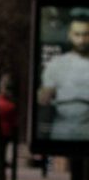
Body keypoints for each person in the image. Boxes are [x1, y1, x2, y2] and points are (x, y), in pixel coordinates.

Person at [38, 10, 89, 140]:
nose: (81, 40)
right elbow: (44, 100)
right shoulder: (56, 64)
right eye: (77, 34)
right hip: (62, 128)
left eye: (86, 34)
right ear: (69, 35)